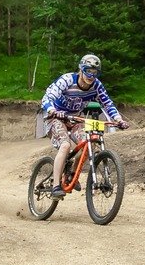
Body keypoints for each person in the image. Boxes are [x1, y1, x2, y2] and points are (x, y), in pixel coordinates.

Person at [41, 53, 129, 199]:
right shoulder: (67, 80)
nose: (91, 75)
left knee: (89, 143)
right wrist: (53, 111)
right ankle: (56, 186)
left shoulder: (96, 86)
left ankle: (71, 174)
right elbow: (48, 96)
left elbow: (107, 103)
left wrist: (118, 119)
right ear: (81, 69)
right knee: (65, 146)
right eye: (88, 70)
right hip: (55, 118)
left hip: (75, 119)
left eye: (95, 72)